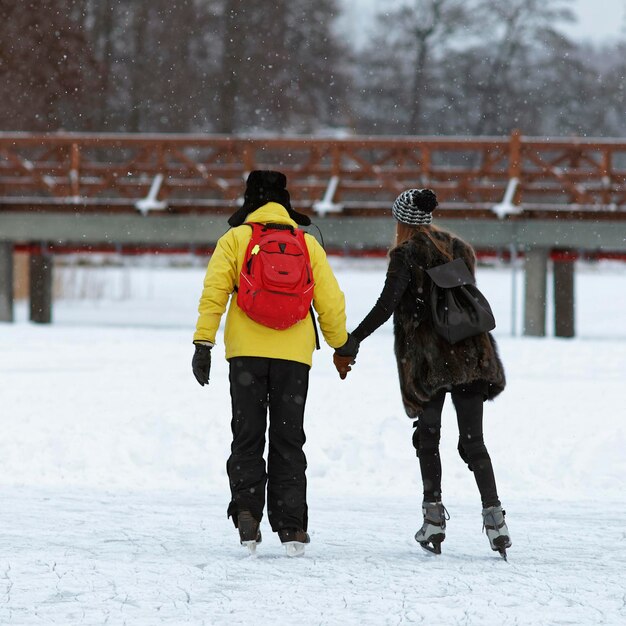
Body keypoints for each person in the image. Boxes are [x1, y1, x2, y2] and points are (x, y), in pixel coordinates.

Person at [192, 170, 358, 556]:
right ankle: (292, 527)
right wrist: (341, 344)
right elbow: (330, 301)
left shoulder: (236, 239)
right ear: (286, 203)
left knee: (247, 435)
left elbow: (214, 292)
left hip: (245, 355)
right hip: (294, 358)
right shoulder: (306, 243)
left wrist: (204, 343)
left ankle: (248, 514)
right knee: (288, 439)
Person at [340, 188, 511, 558]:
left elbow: (386, 305)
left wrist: (353, 339)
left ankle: (433, 520)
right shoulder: (460, 249)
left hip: (429, 360)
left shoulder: (405, 255)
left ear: (402, 221)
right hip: (471, 355)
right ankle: (496, 522)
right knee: (473, 441)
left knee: (427, 437)